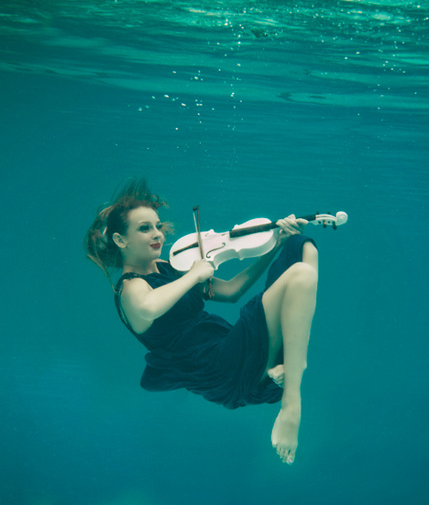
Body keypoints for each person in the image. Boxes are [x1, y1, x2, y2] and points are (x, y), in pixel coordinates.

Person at [85, 178, 318, 465]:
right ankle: (291, 404)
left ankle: (274, 369)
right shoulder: (130, 288)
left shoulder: (169, 268)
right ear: (121, 241)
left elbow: (232, 290)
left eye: (158, 226)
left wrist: (275, 245)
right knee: (301, 276)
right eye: (144, 228)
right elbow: (149, 307)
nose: (157, 233)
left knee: (300, 248)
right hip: (217, 368)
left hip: (230, 344)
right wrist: (193, 276)